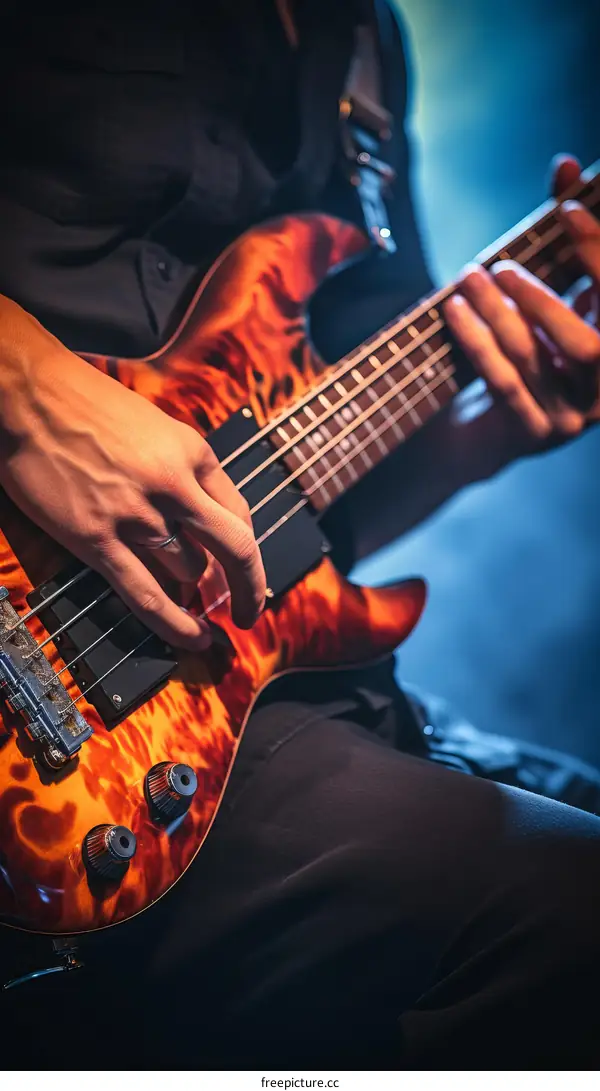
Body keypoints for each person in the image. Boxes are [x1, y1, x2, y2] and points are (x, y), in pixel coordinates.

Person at [1, 0, 600, 1069]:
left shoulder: (365, 45)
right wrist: (25, 389)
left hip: (223, 703)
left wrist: (490, 430)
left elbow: (310, 502)